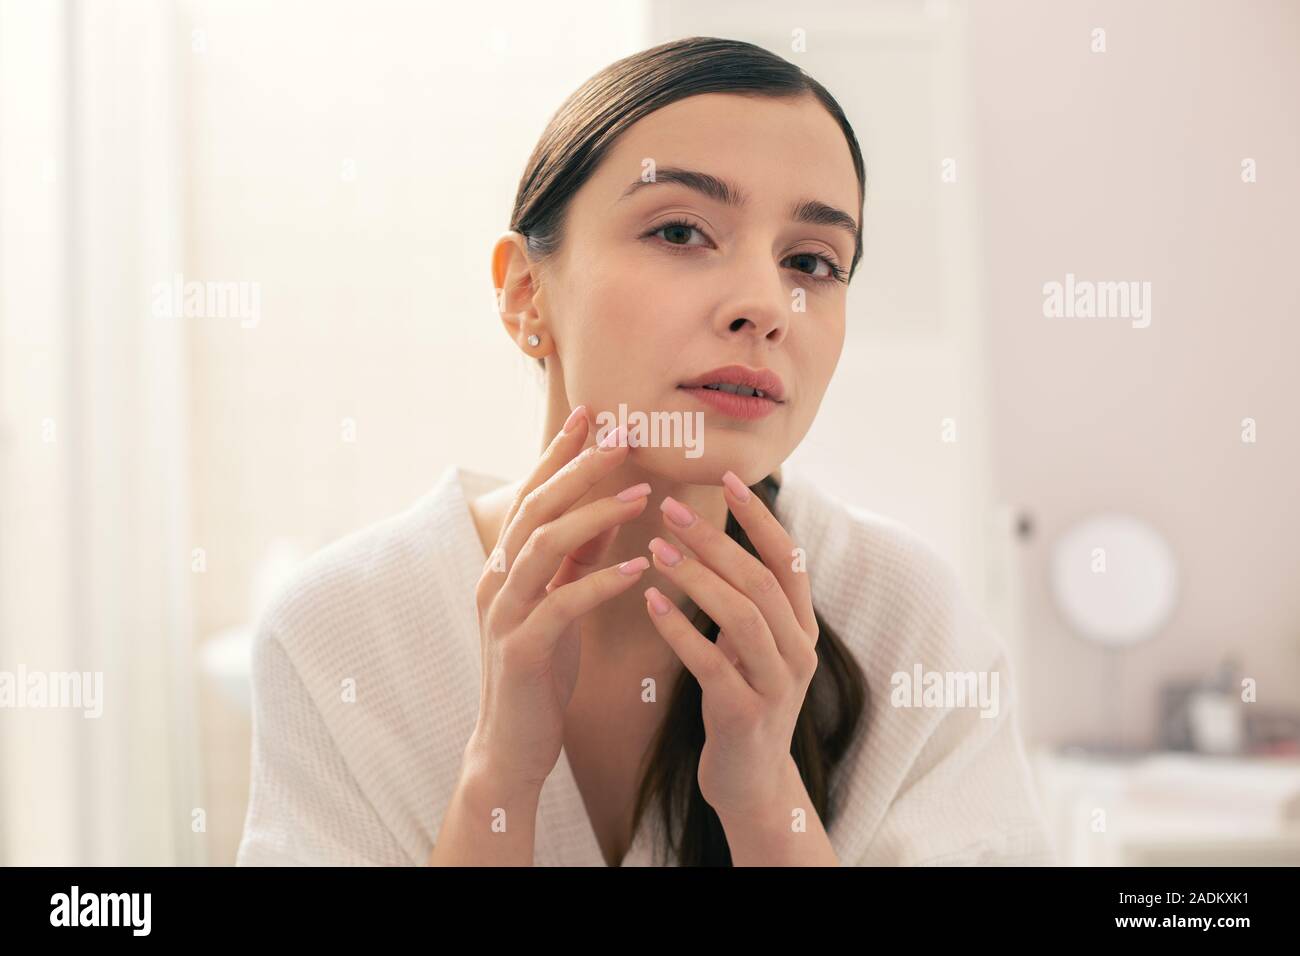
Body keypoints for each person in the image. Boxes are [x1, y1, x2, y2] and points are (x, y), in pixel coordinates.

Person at [236, 36, 1055, 867]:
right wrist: (499, 782)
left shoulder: (910, 622)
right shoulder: (338, 634)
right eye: (680, 232)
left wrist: (766, 803)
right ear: (526, 294)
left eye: (811, 261)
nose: (764, 305)